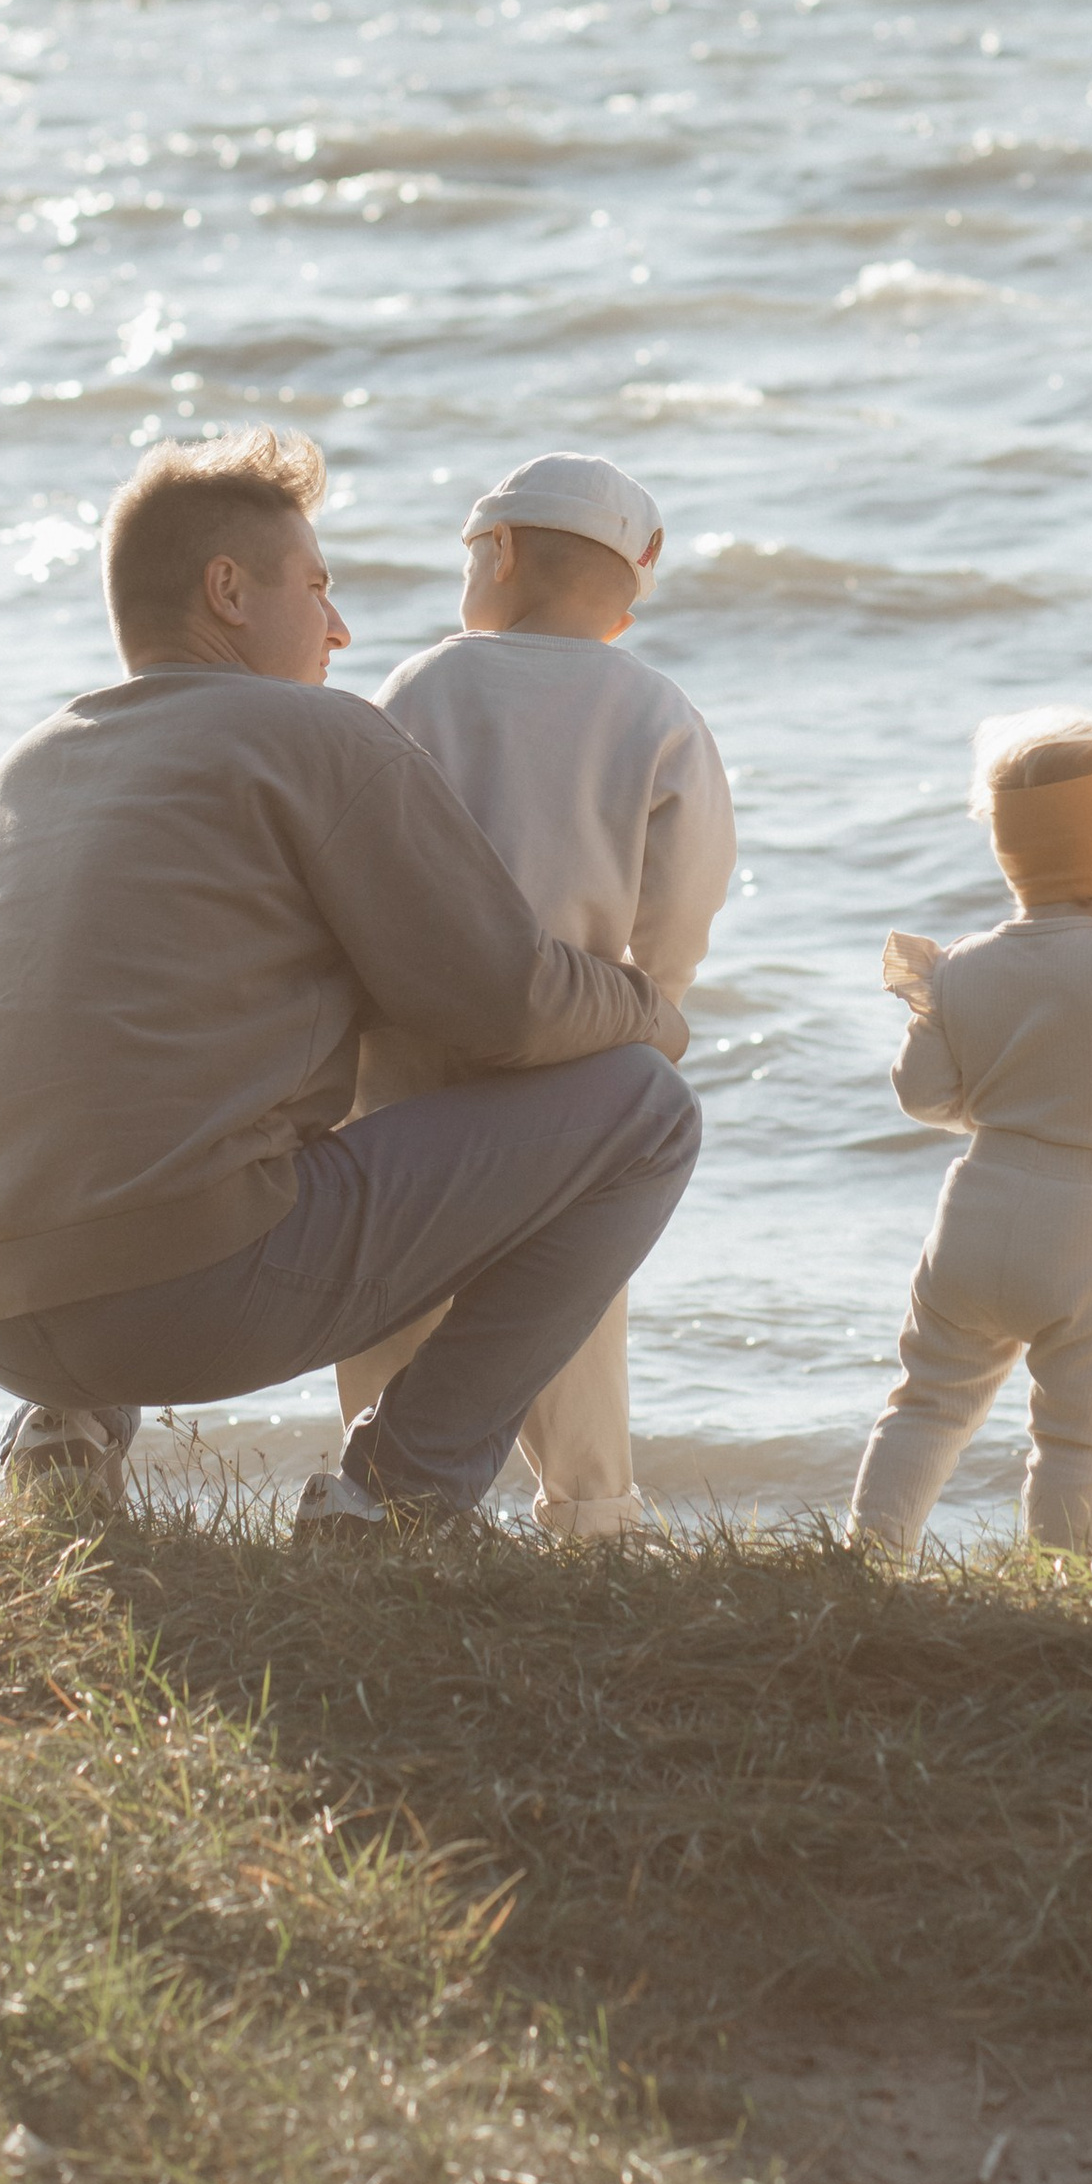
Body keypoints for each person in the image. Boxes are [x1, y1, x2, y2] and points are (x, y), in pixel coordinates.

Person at [0, 425, 699, 1528]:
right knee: (647, 1111)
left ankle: (63, 1426)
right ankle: (398, 1496)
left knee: (142, 1086)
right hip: (186, 1297)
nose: (340, 626)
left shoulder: (26, 768)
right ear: (228, 590)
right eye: (314, 587)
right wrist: (649, 1010)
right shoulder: (316, 733)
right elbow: (499, 1002)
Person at [334, 452, 735, 1532]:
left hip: (416, 1029)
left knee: (392, 1267)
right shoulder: (657, 709)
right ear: (622, 601)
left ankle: (377, 1483)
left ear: (499, 553)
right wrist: (651, 998)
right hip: (583, 1038)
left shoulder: (424, 683)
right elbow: (685, 890)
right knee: (566, 1285)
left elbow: (363, 844)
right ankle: (591, 1507)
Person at [847, 713, 1092, 1560]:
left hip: (977, 1204)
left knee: (927, 1403)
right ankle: (1063, 1577)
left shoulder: (962, 964)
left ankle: (868, 1558)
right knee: (1078, 1438)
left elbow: (924, 1094)